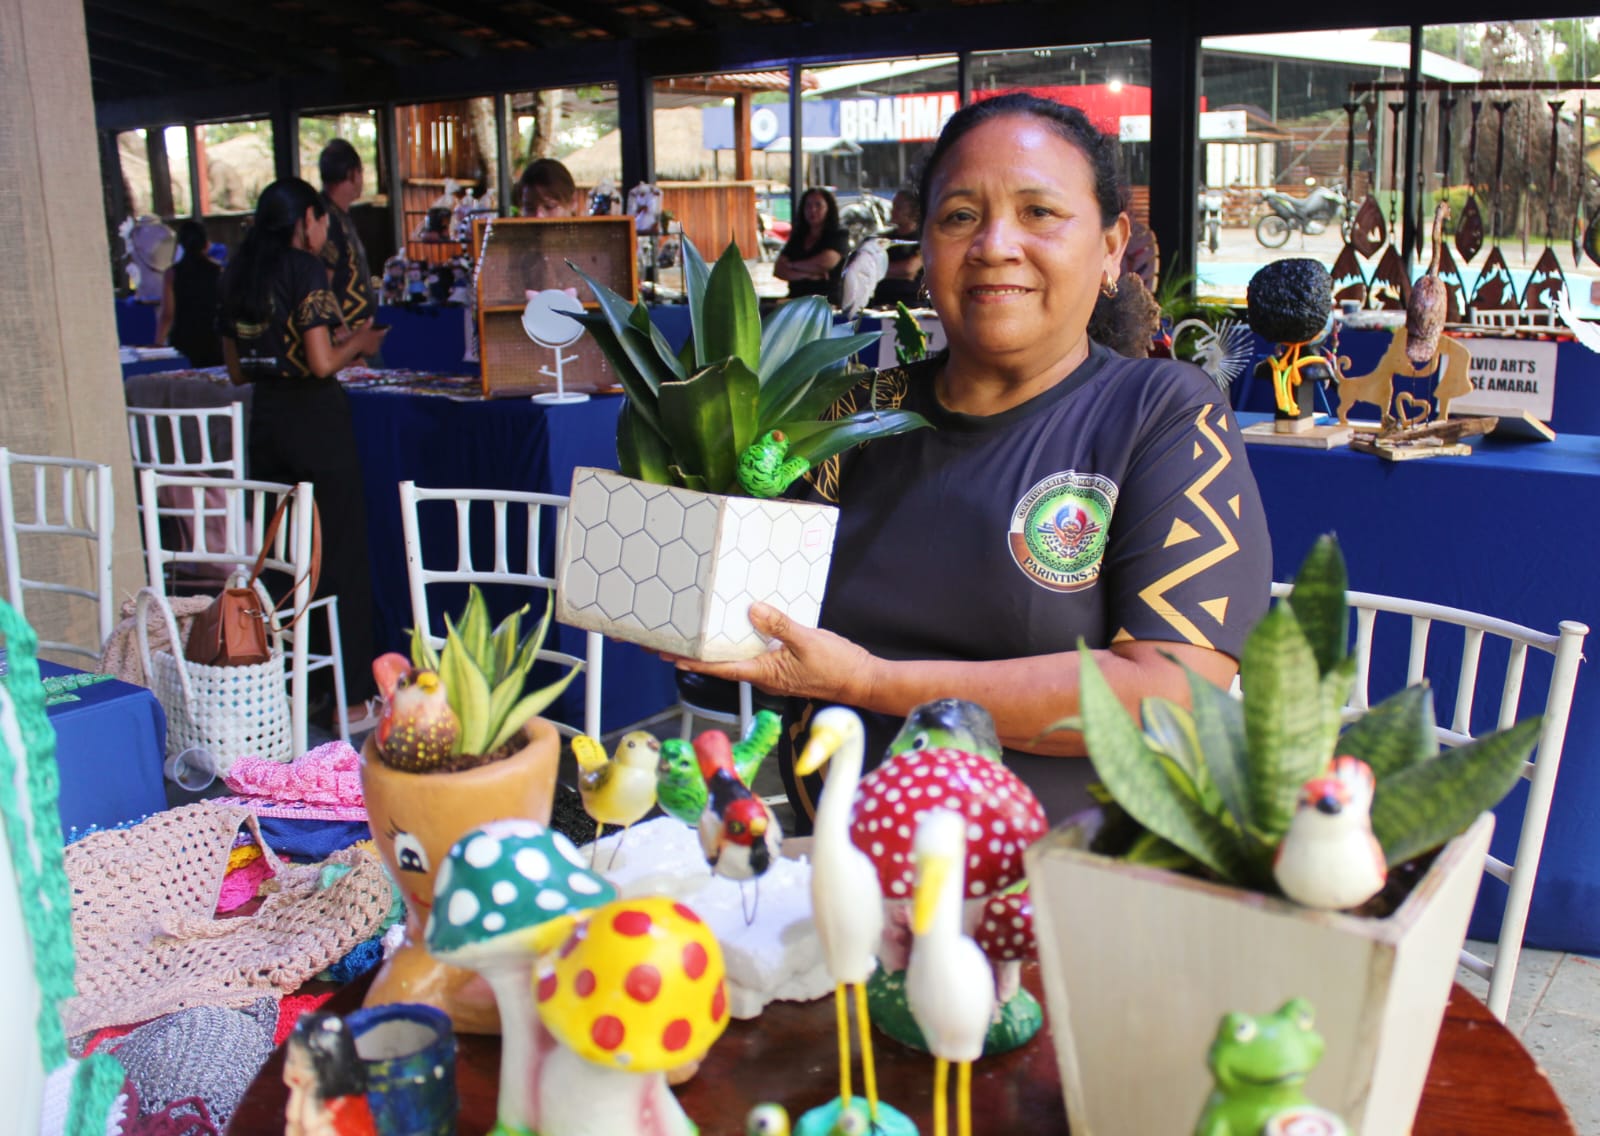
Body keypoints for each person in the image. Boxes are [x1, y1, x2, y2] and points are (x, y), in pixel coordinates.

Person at [677, 93, 1272, 826]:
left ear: (1112, 247)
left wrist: (872, 682)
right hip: (830, 872)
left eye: (1039, 213)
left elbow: (1171, 692)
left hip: (1057, 897)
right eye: (960, 216)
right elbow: (760, 614)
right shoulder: (849, 414)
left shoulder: (1160, 413)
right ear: (924, 250)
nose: (994, 243)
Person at [217, 178, 387, 729]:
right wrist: (360, 342)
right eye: (320, 222)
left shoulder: (239, 271)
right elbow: (320, 362)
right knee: (336, 558)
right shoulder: (302, 268)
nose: (321, 232)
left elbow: (237, 369)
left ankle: (293, 692)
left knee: (283, 567)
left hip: (265, 423)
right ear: (307, 219)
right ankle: (352, 702)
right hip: (315, 423)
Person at [317, 139, 376, 339]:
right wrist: (342, 335)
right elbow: (322, 285)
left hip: (357, 336)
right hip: (346, 339)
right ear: (352, 173)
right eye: (361, 173)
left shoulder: (339, 216)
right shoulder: (327, 221)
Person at [155, 219, 223, 365]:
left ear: (181, 245)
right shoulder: (217, 271)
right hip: (212, 338)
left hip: (183, 339)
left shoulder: (172, 273)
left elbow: (167, 314)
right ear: (206, 244)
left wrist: (159, 342)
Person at [774, 187, 850, 306]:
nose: (812, 210)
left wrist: (792, 265)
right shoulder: (798, 236)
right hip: (796, 300)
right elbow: (779, 270)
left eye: (818, 205)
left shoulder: (838, 234)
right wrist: (808, 274)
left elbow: (824, 263)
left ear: (828, 208)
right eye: (808, 205)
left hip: (826, 303)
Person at [869, 188, 923, 309]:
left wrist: (881, 270)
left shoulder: (924, 239)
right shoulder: (883, 238)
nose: (893, 211)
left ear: (913, 211)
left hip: (910, 304)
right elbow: (869, 267)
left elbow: (908, 269)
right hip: (881, 302)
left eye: (898, 207)